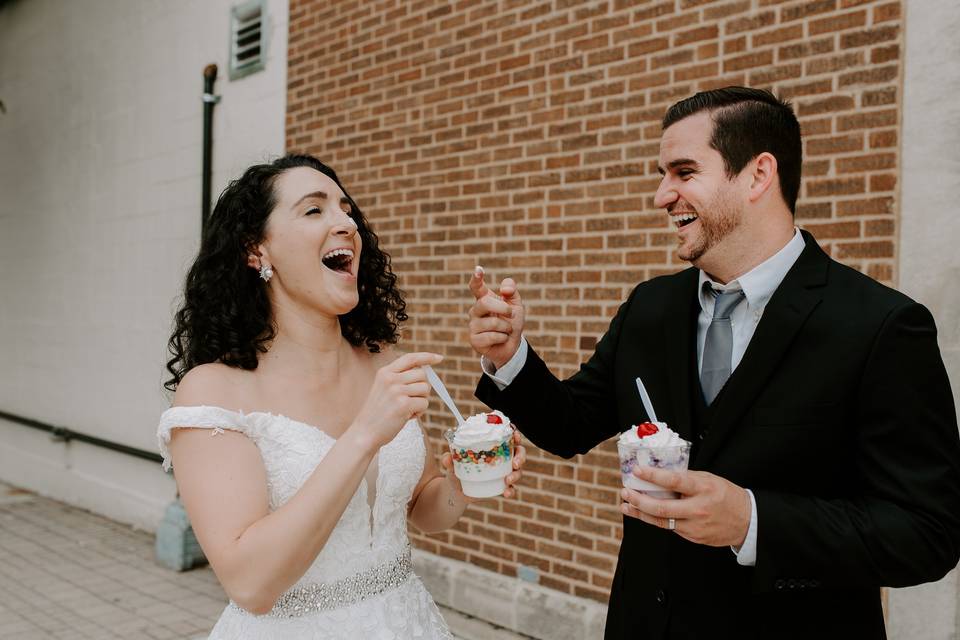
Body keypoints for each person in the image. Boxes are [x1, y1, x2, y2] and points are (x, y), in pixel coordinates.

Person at [467, 87, 960, 639]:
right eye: (661, 174)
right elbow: (571, 424)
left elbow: (927, 533)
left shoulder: (881, 326)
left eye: (683, 172)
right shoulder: (649, 307)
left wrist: (753, 521)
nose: (661, 195)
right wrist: (510, 357)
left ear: (757, 175)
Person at [158, 154, 525, 639]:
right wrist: (364, 435)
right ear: (256, 250)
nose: (345, 223)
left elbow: (421, 508)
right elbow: (250, 584)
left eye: (346, 210)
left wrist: (463, 482)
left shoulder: (379, 361)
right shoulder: (213, 390)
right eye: (314, 210)